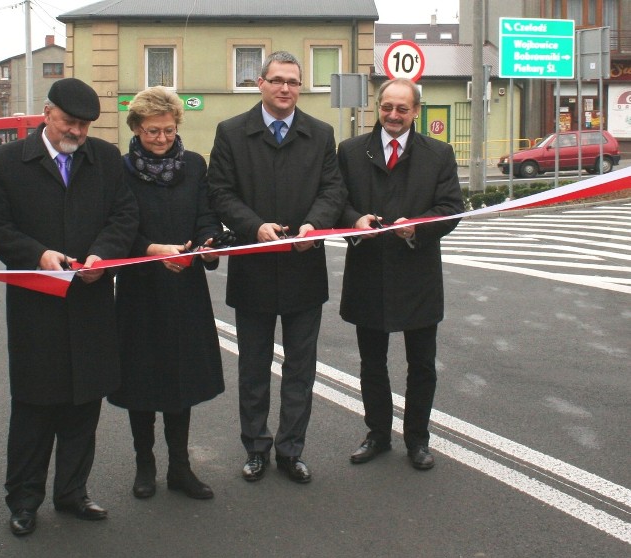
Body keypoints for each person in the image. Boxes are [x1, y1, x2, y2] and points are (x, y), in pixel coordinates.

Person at [0, 78, 138, 536]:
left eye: (85, 126)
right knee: (34, 408)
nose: (77, 133)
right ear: (47, 113)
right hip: (38, 306)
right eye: (70, 122)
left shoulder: (105, 159)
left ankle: (72, 493)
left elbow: (124, 215)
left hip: (90, 301)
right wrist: (37, 255)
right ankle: (24, 500)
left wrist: (102, 255)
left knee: (82, 406)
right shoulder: (10, 161)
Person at [208, 51, 346, 484]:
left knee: (300, 368)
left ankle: (291, 450)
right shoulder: (231, 133)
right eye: (277, 80)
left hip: (304, 267)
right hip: (253, 267)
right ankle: (255, 448)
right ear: (261, 83)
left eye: (293, 81)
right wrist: (253, 226)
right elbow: (220, 191)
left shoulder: (321, 134)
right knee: (253, 367)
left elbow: (333, 189)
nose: (285, 88)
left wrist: (314, 224)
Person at [336, 77, 464, 471]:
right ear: (378, 106)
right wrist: (354, 219)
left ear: (416, 112)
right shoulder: (351, 151)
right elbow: (334, 202)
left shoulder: (438, 154)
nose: (393, 115)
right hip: (368, 271)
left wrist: (418, 225)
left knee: (421, 365)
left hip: (417, 273)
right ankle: (377, 434)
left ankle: (418, 440)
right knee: (371, 363)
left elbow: (450, 208)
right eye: (387, 107)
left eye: (402, 109)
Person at [109, 86, 224, 500]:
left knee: (181, 379)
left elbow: (206, 214)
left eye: (169, 131)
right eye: (152, 132)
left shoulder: (193, 165)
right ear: (136, 128)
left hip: (185, 286)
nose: (161, 139)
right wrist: (148, 251)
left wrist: (209, 241)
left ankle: (180, 466)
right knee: (141, 378)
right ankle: (145, 464)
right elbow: (118, 226)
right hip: (141, 287)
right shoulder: (120, 170)